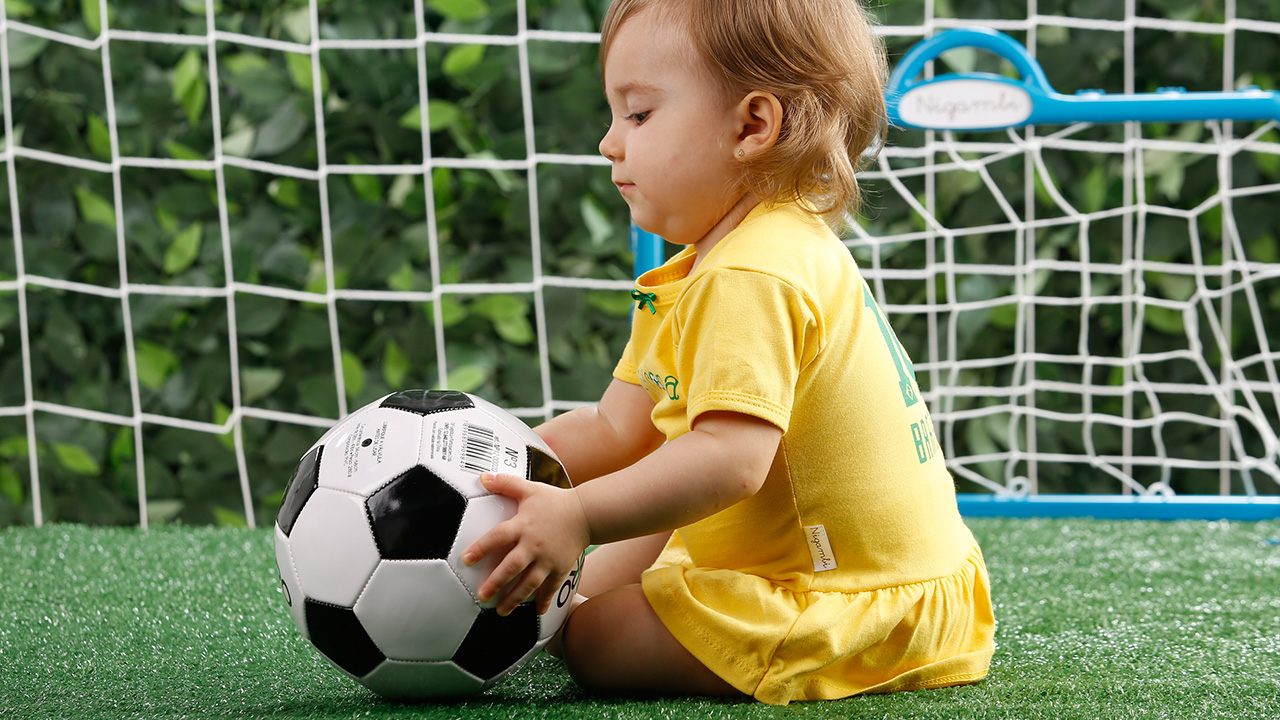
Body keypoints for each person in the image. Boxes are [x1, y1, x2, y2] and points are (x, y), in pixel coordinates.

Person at [462, 0, 995, 705]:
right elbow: (619, 428)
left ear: (751, 126)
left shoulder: (755, 272)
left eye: (639, 115)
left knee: (589, 640)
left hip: (850, 596)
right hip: (819, 560)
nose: (608, 143)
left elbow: (729, 462)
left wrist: (581, 515)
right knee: (567, 596)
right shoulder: (705, 263)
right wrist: (494, 462)